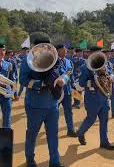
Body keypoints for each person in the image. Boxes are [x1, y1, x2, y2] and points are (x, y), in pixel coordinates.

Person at [20, 33, 66, 167]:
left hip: (52, 104)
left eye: (47, 47)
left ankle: (55, 161)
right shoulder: (27, 61)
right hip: (35, 104)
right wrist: (40, 84)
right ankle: (29, 158)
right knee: (32, 133)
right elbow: (22, 80)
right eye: (41, 47)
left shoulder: (55, 60)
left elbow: (65, 74)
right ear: (35, 48)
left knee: (53, 134)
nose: (44, 50)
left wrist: (63, 80)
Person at [76, 46, 114, 150]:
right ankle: (80, 132)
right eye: (95, 53)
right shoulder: (84, 67)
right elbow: (81, 83)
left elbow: (110, 73)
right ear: (90, 54)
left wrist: (111, 77)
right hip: (92, 97)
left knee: (104, 120)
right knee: (91, 119)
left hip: (103, 96)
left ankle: (104, 142)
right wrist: (94, 81)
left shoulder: (105, 64)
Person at [56, 43, 77, 137]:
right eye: (63, 50)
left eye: (66, 50)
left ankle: (71, 129)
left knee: (68, 111)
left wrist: (73, 86)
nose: (66, 51)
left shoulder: (69, 62)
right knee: (54, 111)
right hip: (57, 91)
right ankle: (53, 129)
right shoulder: (54, 62)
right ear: (58, 51)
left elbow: (70, 75)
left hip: (67, 90)